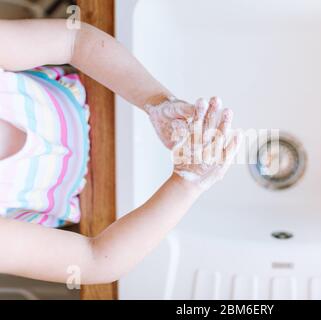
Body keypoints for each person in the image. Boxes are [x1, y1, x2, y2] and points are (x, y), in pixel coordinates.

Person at [0, 19, 241, 284]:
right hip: (96, 197)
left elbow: (74, 41)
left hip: (102, 94)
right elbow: (95, 262)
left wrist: (157, 101)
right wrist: (188, 182)